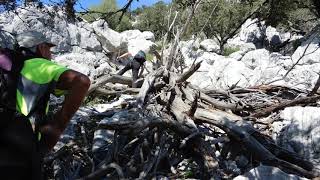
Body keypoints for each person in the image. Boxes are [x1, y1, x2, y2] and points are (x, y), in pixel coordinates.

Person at [0, 31, 90, 179]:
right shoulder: (40, 66)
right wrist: (57, 128)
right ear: (41, 48)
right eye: (49, 49)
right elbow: (81, 81)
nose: (50, 54)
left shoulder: (7, 67)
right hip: (21, 151)